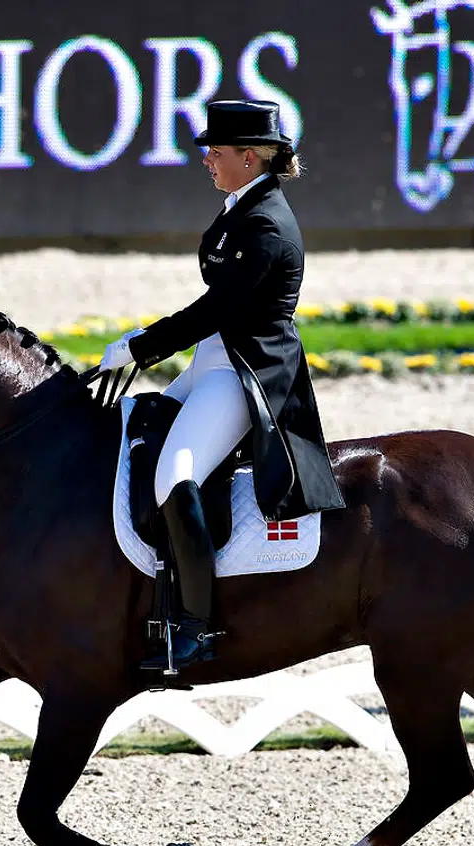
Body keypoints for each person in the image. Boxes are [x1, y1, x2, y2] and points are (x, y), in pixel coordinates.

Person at [98, 99, 345, 672]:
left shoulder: (266, 224)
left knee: (175, 473)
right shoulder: (242, 207)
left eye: (218, 150)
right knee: (136, 426)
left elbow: (218, 307)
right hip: (214, 360)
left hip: (245, 370)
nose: (207, 158)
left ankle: (196, 626)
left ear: (252, 157)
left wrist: (140, 345)